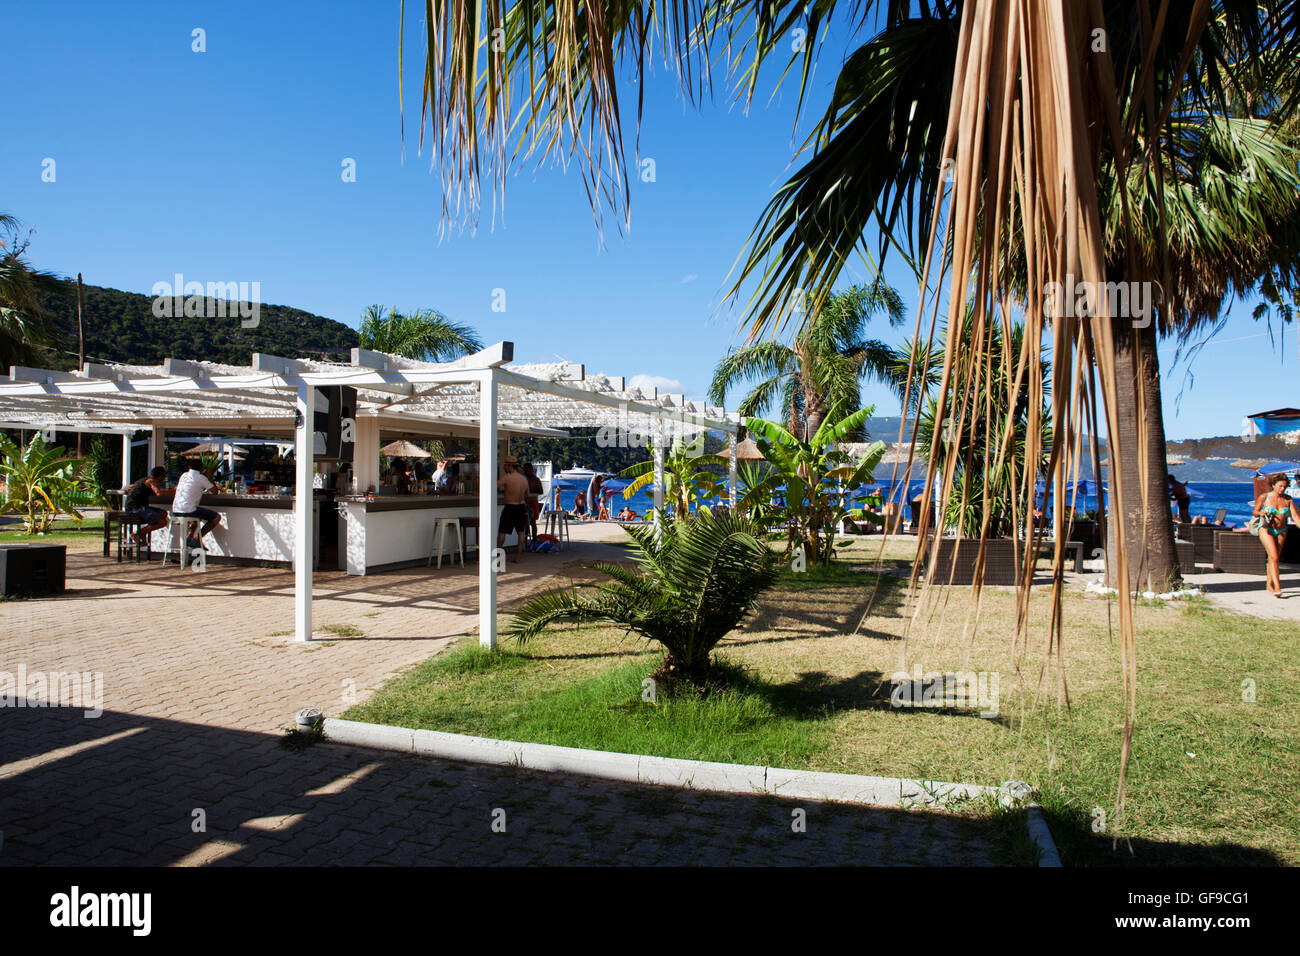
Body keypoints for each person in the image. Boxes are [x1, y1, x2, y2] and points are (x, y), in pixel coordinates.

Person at [1253, 473, 1300, 597]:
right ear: (1273, 485)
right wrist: (1261, 512)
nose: (1282, 489)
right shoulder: (1264, 497)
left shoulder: (1288, 500)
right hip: (1266, 529)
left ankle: (1269, 585)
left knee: (1273, 558)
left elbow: (1295, 516)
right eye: (1280, 486)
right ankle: (1277, 587)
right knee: (1274, 556)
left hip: (1281, 530)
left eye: (1284, 486)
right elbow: (1255, 511)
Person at [172, 464, 223, 548]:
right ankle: (197, 539)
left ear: (189, 467)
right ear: (202, 469)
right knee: (216, 517)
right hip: (188, 511)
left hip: (176, 511)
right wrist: (209, 477)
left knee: (197, 515)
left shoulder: (183, 475)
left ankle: (189, 538)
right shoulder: (201, 478)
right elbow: (215, 491)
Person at [122, 467, 169, 547]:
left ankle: (142, 534)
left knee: (163, 513)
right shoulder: (151, 481)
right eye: (164, 476)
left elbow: (129, 489)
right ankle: (137, 533)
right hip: (134, 508)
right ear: (160, 476)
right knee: (163, 522)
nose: (164, 478)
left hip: (138, 507)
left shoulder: (144, 480)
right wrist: (175, 491)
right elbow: (159, 493)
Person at [496, 456, 531, 563]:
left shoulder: (507, 477)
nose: (504, 468)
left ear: (509, 466)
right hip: (521, 507)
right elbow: (527, 494)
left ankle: (498, 557)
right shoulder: (523, 479)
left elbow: (493, 486)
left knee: (502, 532)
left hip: (510, 507)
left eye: (505, 465)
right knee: (521, 532)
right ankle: (518, 557)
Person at [523, 463, 544, 539]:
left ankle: (534, 538)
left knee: (533, 522)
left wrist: (531, 491)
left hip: (533, 501)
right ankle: (525, 539)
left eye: (526, 470)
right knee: (525, 522)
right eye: (524, 470)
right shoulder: (524, 478)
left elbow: (541, 491)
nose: (524, 471)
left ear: (531, 470)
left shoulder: (536, 480)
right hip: (525, 502)